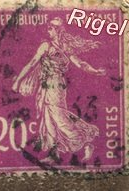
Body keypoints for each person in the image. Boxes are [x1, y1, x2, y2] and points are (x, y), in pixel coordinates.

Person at [11, 18, 106, 162]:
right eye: (48, 27)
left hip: (56, 84)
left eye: (51, 28)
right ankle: (53, 153)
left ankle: (85, 142)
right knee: (48, 117)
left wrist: (95, 71)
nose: (48, 30)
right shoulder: (46, 45)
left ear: (58, 30)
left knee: (59, 116)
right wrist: (18, 80)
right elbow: (32, 63)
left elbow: (80, 63)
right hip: (47, 85)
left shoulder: (62, 47)